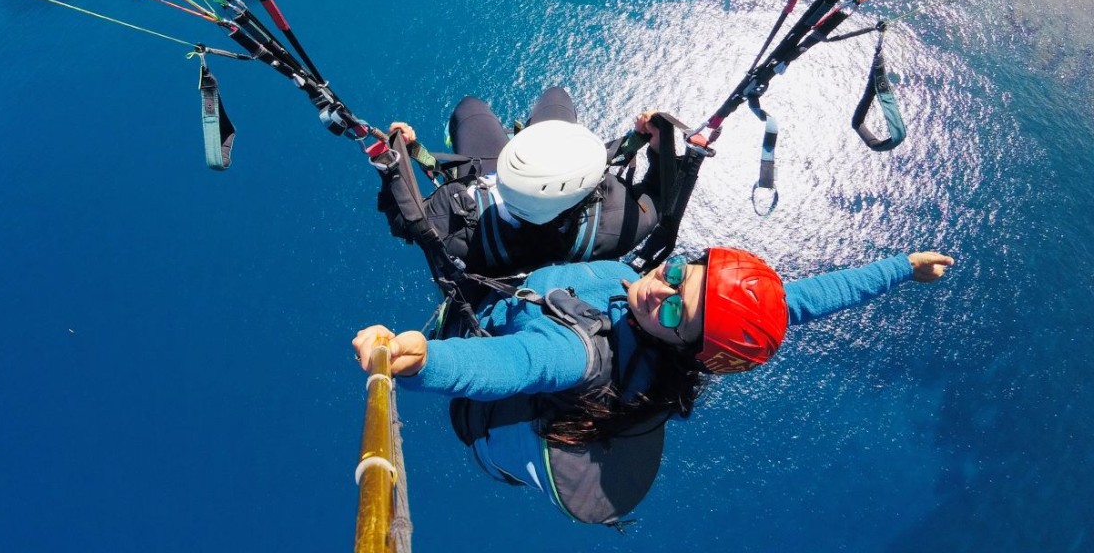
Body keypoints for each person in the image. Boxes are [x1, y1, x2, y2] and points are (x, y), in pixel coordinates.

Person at [351, 247, 955, 527]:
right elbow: (802, 300)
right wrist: (901, 268)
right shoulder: (676, 313)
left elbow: (515, 365)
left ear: (681, 348)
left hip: (488, 321)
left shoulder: (579, 352)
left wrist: (422, 360)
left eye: (674, 316)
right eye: (676, 274)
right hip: (540, 289)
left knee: (475, 124)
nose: (658, 292)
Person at [376, 87, 672, 277]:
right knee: (557, 96)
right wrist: (659, 144)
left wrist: (398, 153)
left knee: (468, 107)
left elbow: (408, 221)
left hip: (487, 188)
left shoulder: (454, 224)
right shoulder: (619, 221)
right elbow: (658, 196)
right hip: (531, 213)